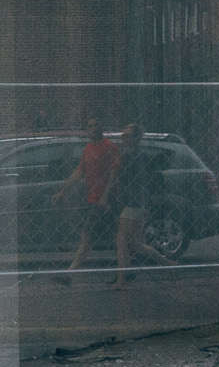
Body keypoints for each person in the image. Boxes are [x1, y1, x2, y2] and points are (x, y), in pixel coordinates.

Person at [107, 123, 173, 287]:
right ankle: (166, 263)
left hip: (134, 204)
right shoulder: (132, 156)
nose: (124, 139)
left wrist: (140, 203)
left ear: (137, 138)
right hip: (137, 204)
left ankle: (122, 279)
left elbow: (138, 184)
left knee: (121, 241)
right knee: (135, 244)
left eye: (128, 136)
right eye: (123, 136)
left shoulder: (134, 158)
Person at [56, 116, 120, 275]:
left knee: (87, 233)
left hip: (105, 199)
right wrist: (64, 189)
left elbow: (114, 172)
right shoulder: (88, 149)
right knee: (116, 236)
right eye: (89, 126)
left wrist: (106, 195)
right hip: (93, 198)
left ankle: (71, 271)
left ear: (101, 127)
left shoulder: (110, 147)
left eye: (95, 125)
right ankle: (128, 268)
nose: (92, 129)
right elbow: (79, 171)